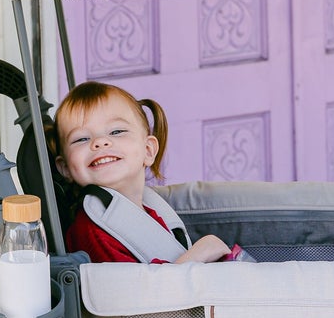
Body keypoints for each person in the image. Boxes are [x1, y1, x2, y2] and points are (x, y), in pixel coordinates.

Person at [52, 81, 242, 264]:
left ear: (148, 150)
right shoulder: (92, 230)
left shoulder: (149, 210)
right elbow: (135, 292)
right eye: (82, 139)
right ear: (65, 168)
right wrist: (198, 255)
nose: (100, 142)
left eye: (117, 131)